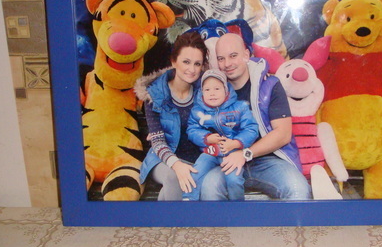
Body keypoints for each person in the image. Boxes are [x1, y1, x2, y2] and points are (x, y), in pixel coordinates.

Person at [199, 33, 312, 200]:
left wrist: (245, 154)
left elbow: (283, 134)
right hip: (228, 161)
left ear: (246, 55)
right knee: (209, 186)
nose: (227, 64)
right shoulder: (213, 89)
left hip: (268, 160)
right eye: (221, 58)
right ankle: (228, 219)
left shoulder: (269, 84)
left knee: (298, 188)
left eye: (233, 56)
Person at [134, 31, 208, 200]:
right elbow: (158, 141)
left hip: (197, 159)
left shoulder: (205, 91)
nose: (192, 69)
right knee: (173, 178)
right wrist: (176, 164)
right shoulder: (155, 93)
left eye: (197, 64)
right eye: (186, 62)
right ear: (174, 61)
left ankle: (163, 215)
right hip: (163, 159)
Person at [185, 69, 259, 201]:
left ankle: (237, 208)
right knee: (195, 174)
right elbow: (192, 130)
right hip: (210, 152)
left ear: (226, 90)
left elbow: (251, 129)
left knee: (234, 180)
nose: (212, 93)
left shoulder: (240, 107)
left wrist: (236, 143)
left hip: (233, 154)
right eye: (207, 90)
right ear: (201, 92)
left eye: (217, 89)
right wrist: (206, 138)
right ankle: (188, 204)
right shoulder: (198, 111)